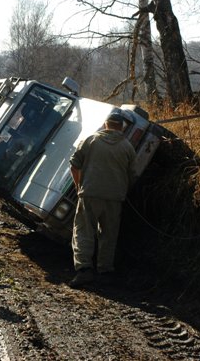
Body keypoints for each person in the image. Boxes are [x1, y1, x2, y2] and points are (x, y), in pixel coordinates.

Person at [68, 111, 137, 289]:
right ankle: (105, 272)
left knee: (84, 231)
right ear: (121, 127)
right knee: (109, 234)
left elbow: (74, 164)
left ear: (106, 123)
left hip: (90, 193)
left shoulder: (90, 140)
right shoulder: (127, 147)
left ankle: (84, 270)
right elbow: (133, 175)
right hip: (114, 197)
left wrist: (78, 186)